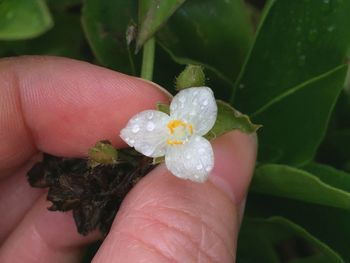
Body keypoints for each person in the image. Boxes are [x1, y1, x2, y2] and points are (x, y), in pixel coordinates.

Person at [0, 56, 257, 262]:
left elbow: (199, 101)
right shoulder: (153, 131)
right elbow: (137, 132)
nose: (179, 130)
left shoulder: (195, 117)